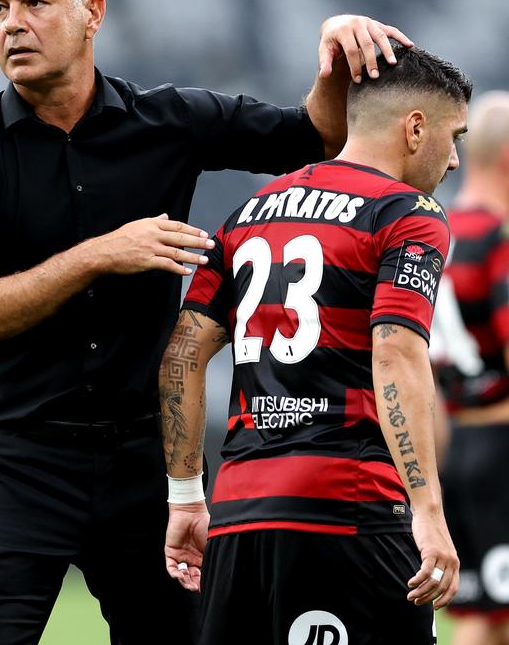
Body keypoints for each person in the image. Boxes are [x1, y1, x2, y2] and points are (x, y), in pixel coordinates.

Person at [0, 0, 409, 644]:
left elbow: (314, 136)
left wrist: (332, 54)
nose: (13, 24)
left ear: (93, 14)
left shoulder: (168, 121)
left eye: (36, 3)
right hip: (18, 463)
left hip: (144, 467)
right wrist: (97, 255)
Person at [161, 44, 468, 643]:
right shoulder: (408, 214)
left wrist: (183, 496)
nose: (454, 158)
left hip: (239, 514)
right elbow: (397, 352)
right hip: (349, 511)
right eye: (452, 135)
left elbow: (182, 355)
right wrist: (429, 513)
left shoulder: (250, 212)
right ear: (415, 128)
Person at [428, 91, 509, 644]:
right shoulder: (499, 236)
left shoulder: (436, 235)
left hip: (459, 446)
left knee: (480, 613)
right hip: (504, 448)